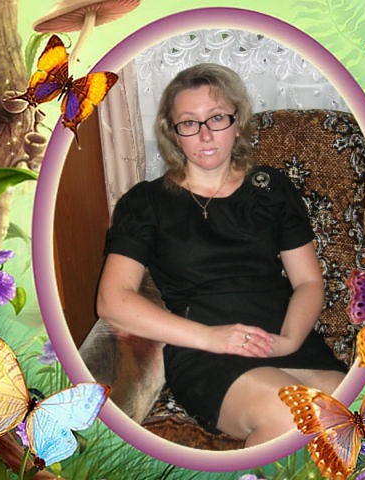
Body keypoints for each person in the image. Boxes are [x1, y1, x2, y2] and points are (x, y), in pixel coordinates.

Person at [96, 63, 348, 447]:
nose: (205, 134)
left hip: (282, 338)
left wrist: (288, 340)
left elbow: (309, 282)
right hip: (205, 350)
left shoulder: (271, 188)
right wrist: (212, 338)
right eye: (189, 123)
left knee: (358, 412)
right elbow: (112, 300)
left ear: (237, 121)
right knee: (291, 411)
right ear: (172, 132)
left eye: (216, 118)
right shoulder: (145, 203)